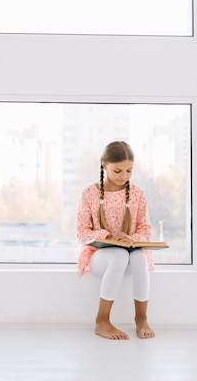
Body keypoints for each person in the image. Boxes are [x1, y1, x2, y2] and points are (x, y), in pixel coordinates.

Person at [76, 140, 155, 340]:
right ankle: (102, 321)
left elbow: (146, 229)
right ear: (104, 165)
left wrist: (130, 237)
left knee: (139, 257)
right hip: (99, 257)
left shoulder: (137, 194)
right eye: (118, 171)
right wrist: (107, 236)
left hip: (129, 255)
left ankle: (141, 319)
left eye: (129, 171)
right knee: (119, 254)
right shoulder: (89, 193)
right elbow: (82, 232)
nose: (124, 176)